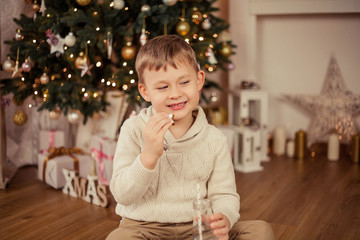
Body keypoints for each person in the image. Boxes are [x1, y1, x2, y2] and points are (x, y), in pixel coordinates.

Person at [106, 35, 275, 240]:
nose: (176, 94)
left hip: (199, 227)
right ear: (145, 91)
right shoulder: (133, 129)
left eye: (184, 82)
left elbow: (225, 195)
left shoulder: (215, 139)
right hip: (144, 227)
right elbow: (122, 194)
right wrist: (148, 156)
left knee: (260, 231)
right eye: (162, 87)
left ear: (199, 81)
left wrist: (225, 218)